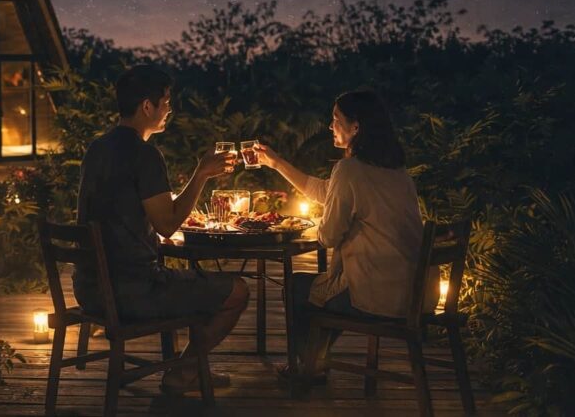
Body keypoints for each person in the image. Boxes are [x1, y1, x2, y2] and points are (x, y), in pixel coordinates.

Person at [72, 64, 250, 394]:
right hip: (132, 293)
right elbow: (167, 226)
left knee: (189, 281)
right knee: (237, 290)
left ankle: (190, 370)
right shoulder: (145, 155)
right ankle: (183, 372)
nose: (170, 108)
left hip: (90, 288)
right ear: (147, 106)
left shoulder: (97, 149)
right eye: (166, 101)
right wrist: (201, 174)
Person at [254, 90, 428, 376]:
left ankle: (307, 366)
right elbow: (325, 191)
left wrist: (309, 224)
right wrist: (276, 163)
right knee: (314, 288)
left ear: (355, 127)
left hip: (378, 294)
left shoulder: (350, 170)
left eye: (335, 119)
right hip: (413, 293)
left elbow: (328, 236)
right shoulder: (396, 172)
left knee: (296, 287)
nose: (329, 126)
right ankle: (315, 361)